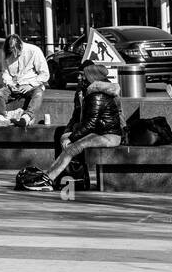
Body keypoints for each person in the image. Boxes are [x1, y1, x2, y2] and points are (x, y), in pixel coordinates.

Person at [22, 63, 123, 191]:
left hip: (109, 136)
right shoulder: (90, 93)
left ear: (91, 76)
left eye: (82, 75)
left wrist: (72, 137)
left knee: (71, 148)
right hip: (101, 133)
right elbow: (82, 118)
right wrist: (70, 133)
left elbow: (90, 123)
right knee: (69, 147)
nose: (79, 78)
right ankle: (48, 177)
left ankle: (48, 179)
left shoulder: (97, 96)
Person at [0, 33, 49, 127]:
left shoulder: (34, 50)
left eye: (17, 52)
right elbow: (5, 72)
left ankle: (27, 117)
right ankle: (0, 117)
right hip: (14, 84)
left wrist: (30, 85)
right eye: (12, 52)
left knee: (38, 93)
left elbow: (45, 74)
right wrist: (9, 84)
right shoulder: (5, 53)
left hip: (31, 84)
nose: (15, 55)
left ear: (21, 45)